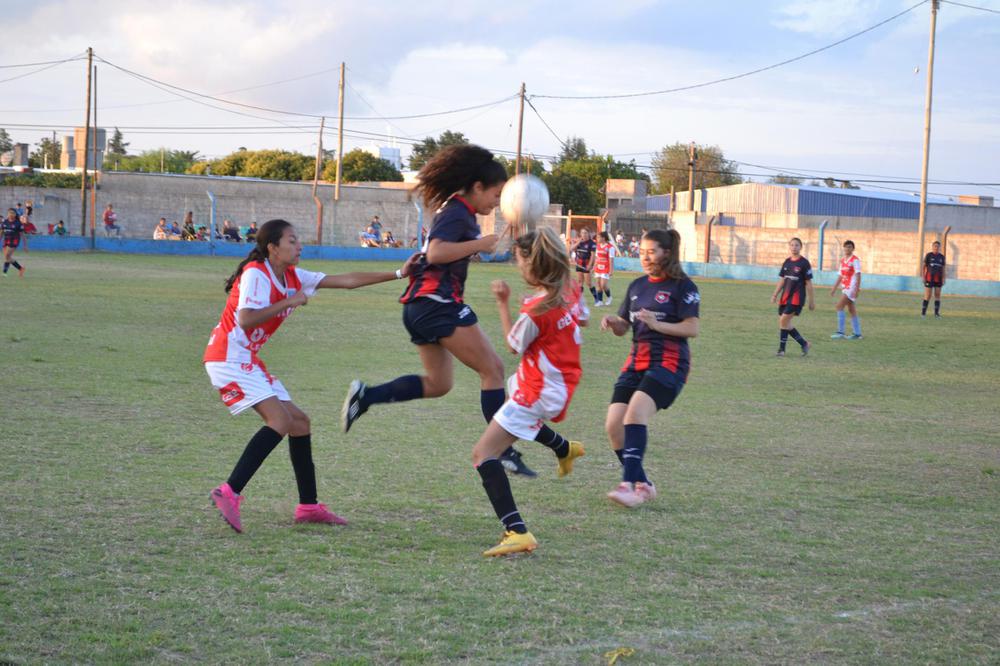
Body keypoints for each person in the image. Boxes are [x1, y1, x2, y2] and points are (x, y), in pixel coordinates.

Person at [206, 218, 417, 533]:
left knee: (299, 422)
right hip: (227, 357)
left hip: (246, 358)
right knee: (280, 420)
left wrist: (399, 273)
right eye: (292, 241)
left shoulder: (293, 276)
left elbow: (346, 281)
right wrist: (289, 301)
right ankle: (229, 491)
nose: (299, 246)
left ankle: (308, 507)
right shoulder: (256, 273)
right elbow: (246, 319)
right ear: (272, 248)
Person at [341, 144, 537, 477]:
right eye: (496, 194)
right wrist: (479, 244)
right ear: (477, 186)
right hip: (437, 303)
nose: (497, 202)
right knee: (493, 369)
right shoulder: (458, 211)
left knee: (439, 383)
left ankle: (366, 396)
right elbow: (435, 253)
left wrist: (473, 247)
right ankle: (502, 449)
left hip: (421, 306)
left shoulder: (458, 211)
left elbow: (442, 252)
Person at [474, 228, 587, 556]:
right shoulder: (565, 292)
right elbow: (579, 321)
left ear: (532, 265)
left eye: (519, 259)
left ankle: (517, 531)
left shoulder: (537, 310)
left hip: (537, 391)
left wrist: (502, 302)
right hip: (552, 385)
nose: (517, 265)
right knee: (510, 410)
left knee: (483, 454)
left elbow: (513, 344)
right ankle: (565, 448)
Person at [599, 229, 700, 508]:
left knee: (634, 415)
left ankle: (629, 487)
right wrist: (614, 322)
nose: (645, 257)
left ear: (666, 253)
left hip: (670, 363)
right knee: (613, 426)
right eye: (642, 252)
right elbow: (625, 326)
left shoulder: (683, 287)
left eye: (651, 252)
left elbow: (692, 328)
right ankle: (643, 483)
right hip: (636, 362)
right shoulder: (637, 286)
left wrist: (658, 324)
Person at [770, 237, 815, 357]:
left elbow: (809, 283)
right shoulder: (787, 262)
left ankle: (781, 350)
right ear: (789, 247)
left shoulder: (804, 263)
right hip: (785, 297)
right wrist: (775, 294)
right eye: (792, 245)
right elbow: (782, 280)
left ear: (801, 247)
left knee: (783, 321)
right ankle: (804, 344)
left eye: (797, 245)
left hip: (797, 298)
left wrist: (811, 301)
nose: (794, 247)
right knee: (786, 324)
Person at [830, 240, 862, 340]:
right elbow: (840, 275)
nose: (847, 249)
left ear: (853, 249)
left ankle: (841, 332)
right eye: (846, 247)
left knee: (839, 306)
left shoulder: (855, 260)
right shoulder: (843, 260)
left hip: (851, 287)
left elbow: (858, 274)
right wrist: (834, 288)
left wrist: (857, 289)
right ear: (843, 248)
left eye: (849, 247)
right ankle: (857, 334)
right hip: (845, 287)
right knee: (851, 309)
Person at [593, 231, 617, 307]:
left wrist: (611, 270)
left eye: (598, 237)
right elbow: (597, 257)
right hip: (598, 267)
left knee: (603, 285)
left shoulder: (610, 247)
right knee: (598, 283)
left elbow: (611, 259)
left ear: (603, 238)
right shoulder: (598, 246)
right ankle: (600, 301)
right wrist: (594, 266)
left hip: (605, 268)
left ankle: (609, 297)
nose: (597, 239)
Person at [922, 240, 945, 318]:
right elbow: (924, 267)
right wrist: (923, 276)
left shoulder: (942, 257)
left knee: (937, 295)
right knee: (928, 295)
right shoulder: (929, 255)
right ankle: (923, 314)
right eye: (935, 246)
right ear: (932, 247)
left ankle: (936, 314)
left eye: (937, 247)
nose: (936, 248)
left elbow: (943, 269)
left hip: (938, 279)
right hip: (929, 278)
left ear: (939, 248)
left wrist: (943, 278)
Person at [1, 208, 27, 277]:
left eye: (13, 213)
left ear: (15, 214)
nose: (11, 214)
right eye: (10, 213)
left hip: (14, 241)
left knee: (7, 256)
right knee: (7, 257)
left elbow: (23, 235)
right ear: (7, 214)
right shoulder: (4, 222)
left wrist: (25, 246)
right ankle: (20, 269)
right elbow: (1, 233)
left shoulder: (18, 223)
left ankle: (5, 273)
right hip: (6, 240)